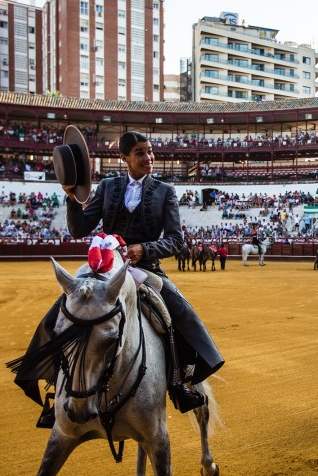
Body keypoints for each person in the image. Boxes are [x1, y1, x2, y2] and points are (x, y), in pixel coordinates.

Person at [16, 129, 224, 428]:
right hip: (109, 267)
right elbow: (80, 229)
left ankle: (181, 383)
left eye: (150, 151)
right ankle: (56, 387)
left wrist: (144, 249)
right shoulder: (109, 187)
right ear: (123, 157)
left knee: (178, 313)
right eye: (140, 153)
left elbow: (176, 239)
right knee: (62, 314)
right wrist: (72, 198)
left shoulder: (166, 191)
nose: (148, 158)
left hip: (147, 267)